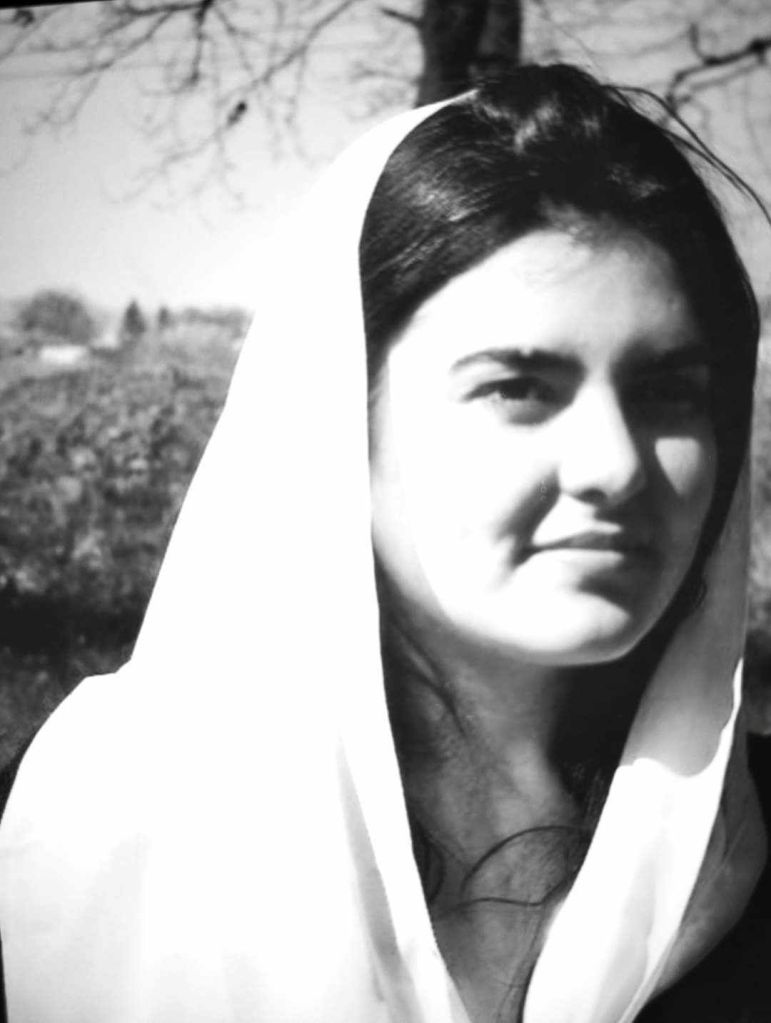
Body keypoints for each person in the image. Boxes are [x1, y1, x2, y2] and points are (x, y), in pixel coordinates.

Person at [0, 64, 767, 1023]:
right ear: (338, 418)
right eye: (517, 387)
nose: (614, 465)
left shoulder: (747, 849)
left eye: (666, 392)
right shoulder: (82, 840)